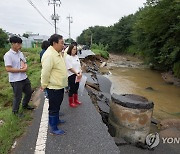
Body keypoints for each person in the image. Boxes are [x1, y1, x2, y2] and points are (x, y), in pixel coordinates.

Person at [41, 34, 68, 135]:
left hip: (59, 86)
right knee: (53, 108)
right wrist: (44, 85)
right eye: (61, 43)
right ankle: (53, 128)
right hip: (53, 87)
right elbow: (45, 72)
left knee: (57, 105)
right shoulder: (49, 55)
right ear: (54, 43)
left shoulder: (57, 52)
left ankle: (56, 120)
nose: (63, 45)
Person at [3, 36, 34, 117]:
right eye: (18, 44)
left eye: (21, 43)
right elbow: (8, 68)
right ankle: (15, 112)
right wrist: (21, 70)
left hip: (24, 77)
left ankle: (25, 105)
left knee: (29, 92)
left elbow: (24, 62)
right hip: (15, 80)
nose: (20, 46)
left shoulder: (20, 53)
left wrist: (26, 67)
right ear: (13, 44)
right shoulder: (8, 55)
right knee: (18, 96)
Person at [65, 44, 82, 108]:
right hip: (72, 75)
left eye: (76, 49)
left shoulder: (76, 56)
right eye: (73, 49)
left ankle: (76, 100)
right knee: (72, 88)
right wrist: (76, 73)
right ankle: (71, 102)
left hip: (78, 74)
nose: (75, 51)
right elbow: (69, 67)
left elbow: (79, 65)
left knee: (76, 88)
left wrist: (80, 72)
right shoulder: (68, 57)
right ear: (70, 49)